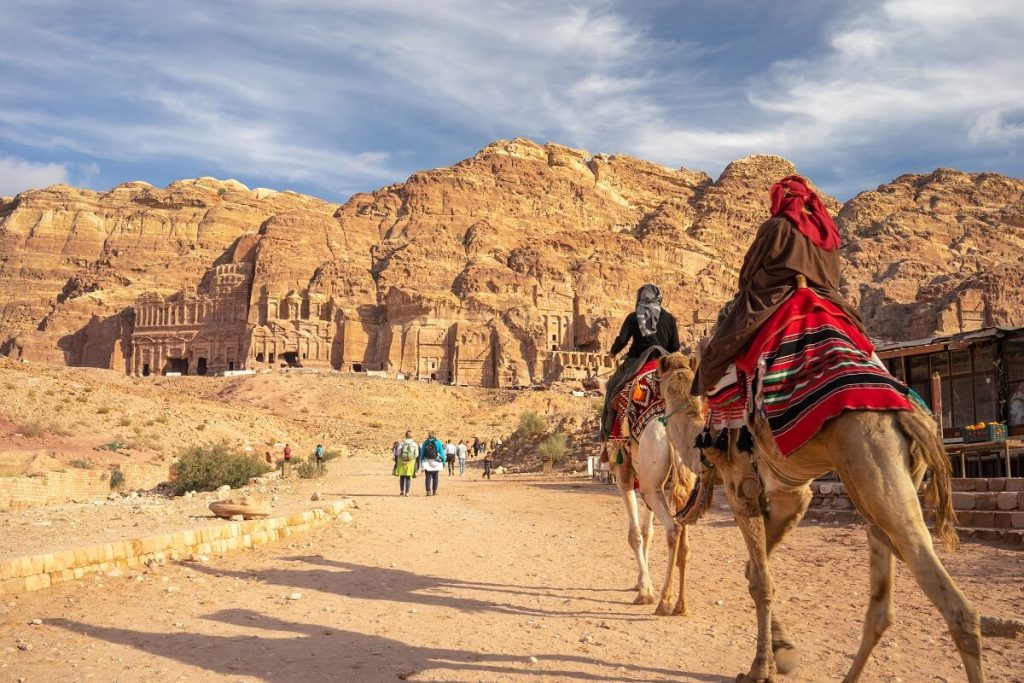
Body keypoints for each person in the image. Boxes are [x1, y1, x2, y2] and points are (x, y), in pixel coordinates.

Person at [692, 175, 865, 396]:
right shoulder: (829, 234)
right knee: (856, 329)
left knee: (726, 337)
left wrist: (750, 284)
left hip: (775, 296)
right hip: (825, 296)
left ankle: (714, 391)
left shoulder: (777, 226)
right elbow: (833, 277)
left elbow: (749, 271)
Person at [599, 284, 681, 440]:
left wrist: (613, 351)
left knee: (612, 389)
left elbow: (622, 340)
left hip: (637, 361)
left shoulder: (634, 316)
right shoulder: (669, 319)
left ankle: (610, 436)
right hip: (663, 362)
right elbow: (675, 346)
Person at [419, 431, 446, 496]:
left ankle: (428, 492)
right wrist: (443, 462)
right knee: (435, 477)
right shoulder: (438, 442)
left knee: (428, 477)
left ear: (428, 435)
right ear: (434, 435)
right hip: (436, 463)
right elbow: (442, 453)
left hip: (427, 462)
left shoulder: (425, 443)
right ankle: (434, 491)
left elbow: (422, 453)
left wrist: (421, 462)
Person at [393, 431, 418, 496]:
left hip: (401, 461)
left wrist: (400, 459)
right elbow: (416, 454)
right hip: (410, 462)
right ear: (412, 436)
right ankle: (407, 492)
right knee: (408, 477)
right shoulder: (414, 444)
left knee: (402, 476)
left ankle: (401, 491)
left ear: (405, 436)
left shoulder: (401, 443)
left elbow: (398, 453)